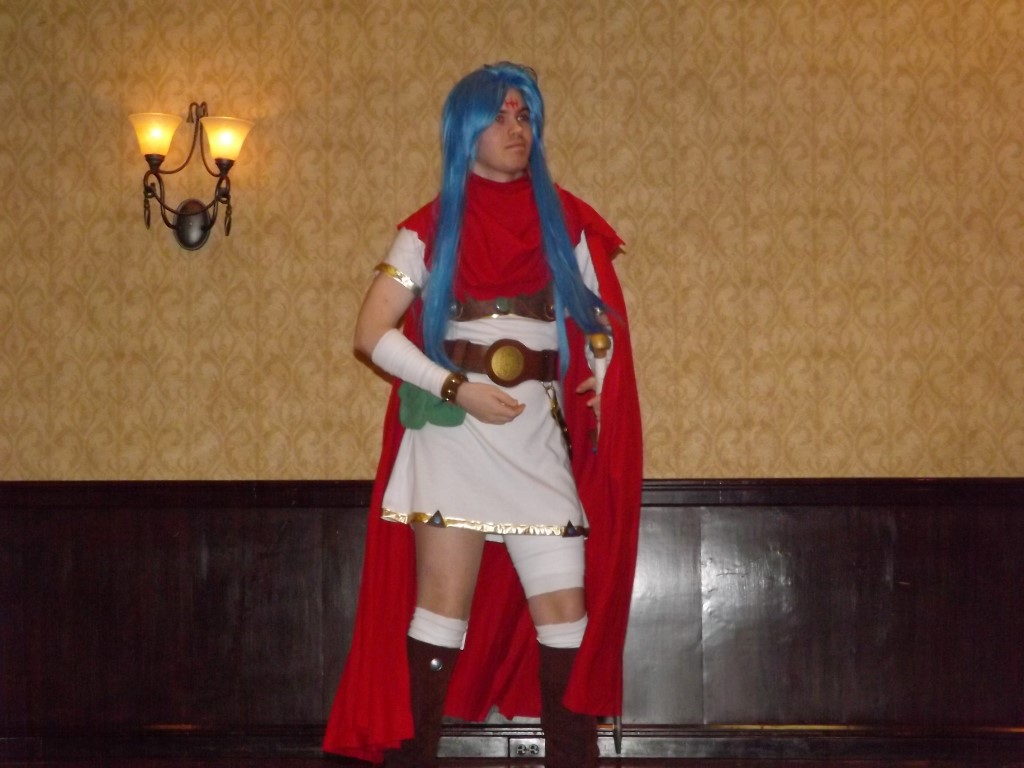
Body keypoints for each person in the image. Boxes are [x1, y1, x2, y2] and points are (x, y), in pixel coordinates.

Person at [322, 62, 642, 768]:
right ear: (466, 130)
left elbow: (599, 323)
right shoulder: (430, 225)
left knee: (567, 613)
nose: (515, 128)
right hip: (455, 434)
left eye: (524, 116)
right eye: (499, 116)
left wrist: (600, 372)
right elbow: (370, 333)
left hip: (534, 433)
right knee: (441, 609)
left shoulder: (566, 219)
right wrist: (453, 387)